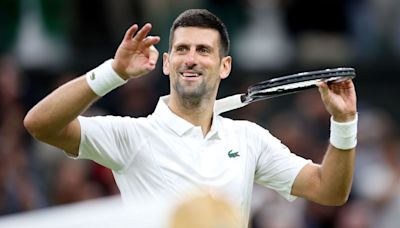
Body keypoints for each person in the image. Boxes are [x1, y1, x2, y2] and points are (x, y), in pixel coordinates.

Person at [24, 9, 358, 227]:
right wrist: (114, 72)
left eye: (203, 50)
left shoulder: (248, 138)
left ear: (224, 66)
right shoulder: (131, 135)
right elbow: (40, 123)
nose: (191, 59)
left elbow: (329, 190)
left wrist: (344, 123)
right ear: (167, 63)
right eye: (182, 50)